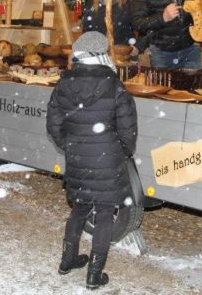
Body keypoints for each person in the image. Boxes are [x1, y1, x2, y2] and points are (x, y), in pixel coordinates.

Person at [46, 31, 137, 290]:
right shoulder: (115, 86)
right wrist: (120, 152)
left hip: (77, 157)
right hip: (108, 160)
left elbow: (53, 124)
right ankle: (94, 274)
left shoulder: (64, 84)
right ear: (102, 55)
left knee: (79, 209)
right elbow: (128, 129)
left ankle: (67, 260)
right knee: (105, 213)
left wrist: (71, 146)